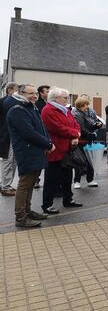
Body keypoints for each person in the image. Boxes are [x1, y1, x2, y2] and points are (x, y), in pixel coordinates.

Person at [6, 84, 53, 227]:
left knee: (31, 183)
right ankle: (20, 217)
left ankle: (28, 211)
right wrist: (48, 144)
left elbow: (41, 128)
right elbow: (28, 133)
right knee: (25, 184)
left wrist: (47, 142)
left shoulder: (30, 107)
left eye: (35, 94)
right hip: (27, 152)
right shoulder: (17, 110)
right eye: (30, 93)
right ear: (21, 93)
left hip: (36, 151)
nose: (34, 96)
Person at [41, 87, 82, 214]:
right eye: (65, 97)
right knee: (51, 179)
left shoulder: (65, 109)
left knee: (67, 177)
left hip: (67, 150)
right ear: (56, 98)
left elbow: (75, 123)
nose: (67, 99)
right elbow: (57, 128)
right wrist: (74, 134)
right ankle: (47, 204)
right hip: (55, 150)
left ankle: (68, 199)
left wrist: (76, 135)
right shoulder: (48, 110)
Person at [72, 97, 100, 188]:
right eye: (86, 105)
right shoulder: (78, 114)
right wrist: (91, 134)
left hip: (86, 140)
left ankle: (87, 180)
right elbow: (81, 129)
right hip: (81, 141)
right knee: (80, 161)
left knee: (88, 161)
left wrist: (96, 126)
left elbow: (89, 126)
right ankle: (78, 181)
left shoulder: (83, 113)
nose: (87, 107)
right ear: (81, 105)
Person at [0, 82, 18, 197]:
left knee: (13, 161)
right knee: (8, 160)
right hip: (6, 136)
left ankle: (7, 184)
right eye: (16, 90)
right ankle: (5, 186)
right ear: (10, 90)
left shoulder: (8, 101)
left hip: (11, 136)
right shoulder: (6, 102)